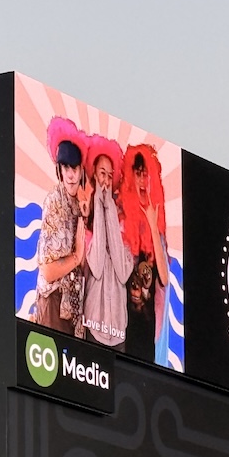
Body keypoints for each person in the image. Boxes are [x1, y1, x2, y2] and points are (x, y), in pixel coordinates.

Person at [80, 134, 134, 350]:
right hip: (94, 327)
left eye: (110, 176)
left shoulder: (124, 224)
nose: (106, 180)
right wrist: (98, 205)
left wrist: (109, 206)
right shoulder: (85, 221)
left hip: (118, 331)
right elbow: (98, 265)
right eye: (102, 173)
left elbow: (122, 271)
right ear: (94, 176)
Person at [34, 117, 87, 334]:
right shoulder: (54, 202)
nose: (71, 174)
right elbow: (47, 272)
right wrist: (76, 257)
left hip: (74, 310)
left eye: (75, 167)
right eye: (66, 167)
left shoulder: (81, 203)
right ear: (59, 170)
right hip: (53, 303)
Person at [119, 144, 169, 361]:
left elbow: (165, 279)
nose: (141, 180)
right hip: (122, 324)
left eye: (145, 175)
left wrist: (152, 222)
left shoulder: (158, 227)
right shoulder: (122, 218)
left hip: (147, 325)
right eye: (137, 174)